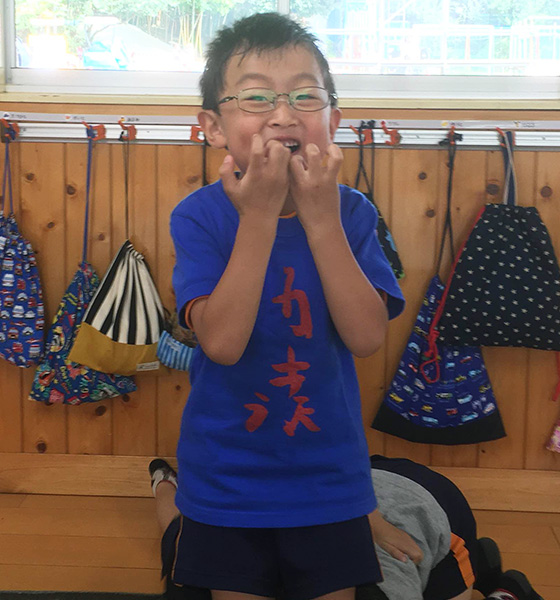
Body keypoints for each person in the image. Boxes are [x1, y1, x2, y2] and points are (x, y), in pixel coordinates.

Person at [168, 10, 412, 600]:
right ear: (213, 126)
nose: (283, 114)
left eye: (305, 96)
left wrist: (321, 219)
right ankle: (165, 489)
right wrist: (258, 215)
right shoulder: (198, 217)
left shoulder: (352, 213)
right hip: (226, 474)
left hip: (330, 475)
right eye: (256, 98)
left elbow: (366, 338)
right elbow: (222, 345)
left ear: (333, 120)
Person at [149, 457, 544, 600]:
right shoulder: (200, 557)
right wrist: (162, 481)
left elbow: (174, 523)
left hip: (413, 494)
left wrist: (164, 483)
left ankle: (487, 570)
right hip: (345, 485)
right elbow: (173, 522)